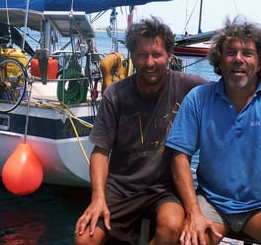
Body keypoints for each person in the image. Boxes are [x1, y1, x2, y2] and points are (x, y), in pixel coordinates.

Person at [74, 17, 208, 245]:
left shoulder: (190, 87)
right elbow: (100, 151)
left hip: (165, 188)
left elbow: (228, 91)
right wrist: (97, 198)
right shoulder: (116, 94)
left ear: (169, 55)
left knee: (172, 225)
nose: (149, 62)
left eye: (157, 55)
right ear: (132, 57)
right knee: (85, 239)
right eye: (142, 55)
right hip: (121, 187)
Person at [165, 16, 261, 245]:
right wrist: (193, 212)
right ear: (220, 60)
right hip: (212, 202)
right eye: (230, 52)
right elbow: (179, 156)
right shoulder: (199, 99)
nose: (238, 59)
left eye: (247, 53)